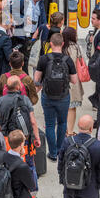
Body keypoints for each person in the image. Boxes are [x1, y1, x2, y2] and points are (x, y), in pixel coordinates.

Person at [0, 75, 46, 198]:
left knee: (8, 168)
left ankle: (9, 197)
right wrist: (37, 138)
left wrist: (3, 134)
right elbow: (33, 121)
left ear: (6, 87)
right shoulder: (25, 100)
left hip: (7, 140)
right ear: (18, 87)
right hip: (25, 140)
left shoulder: (0, 101)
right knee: (30, 165)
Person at [58, 115, 100, 198]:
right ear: (91, 129)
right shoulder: (98, 146)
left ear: (78, 127)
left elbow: (61, 164)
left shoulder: (67, 142)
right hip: (90, 189)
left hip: (70, 189)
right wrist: (99, 185)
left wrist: (64, 181)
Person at [34, 33, 77, 161]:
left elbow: (36, 78)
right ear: (63, 44)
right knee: (62, 122)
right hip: (63, 97)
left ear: (50, 44)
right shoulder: (67, 60)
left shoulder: (44, 59)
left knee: (50, 124)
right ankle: (60, 151)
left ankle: (52, 153)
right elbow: (74, 80)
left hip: (47, 96)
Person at [13, 0, 47, 73]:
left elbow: (43, 20)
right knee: (24, 58)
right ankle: (25, 78)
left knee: (36, 58)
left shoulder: (40, 3)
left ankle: (36, 80)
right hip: (23, 35)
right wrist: (23, 19)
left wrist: (39, 31)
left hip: (35, 35)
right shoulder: (23, 1)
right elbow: (12, 12)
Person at [62, 27, 84, 136]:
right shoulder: (76, 47)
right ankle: (70, 131)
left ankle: (64, 130)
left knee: (62, 107)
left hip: (61, 81)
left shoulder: (61, 47)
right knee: (71, 108)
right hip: (73, 81)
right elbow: (80, 61)